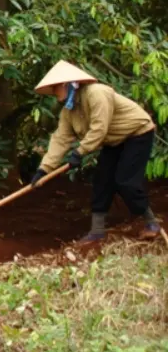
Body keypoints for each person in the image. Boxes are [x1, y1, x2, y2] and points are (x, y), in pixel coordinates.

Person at [30, 60, 160, 241]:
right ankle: (97, 231)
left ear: (67, 84)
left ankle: (151, 222)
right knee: (102, 181)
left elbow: (99, 128)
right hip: (113, 141)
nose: (54, 91)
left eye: (56, 87)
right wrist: (43, 170)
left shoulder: (97, 93)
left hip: (137, 133)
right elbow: (60, 138)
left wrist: (79, 153)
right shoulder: (69, 110)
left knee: (126, 181)